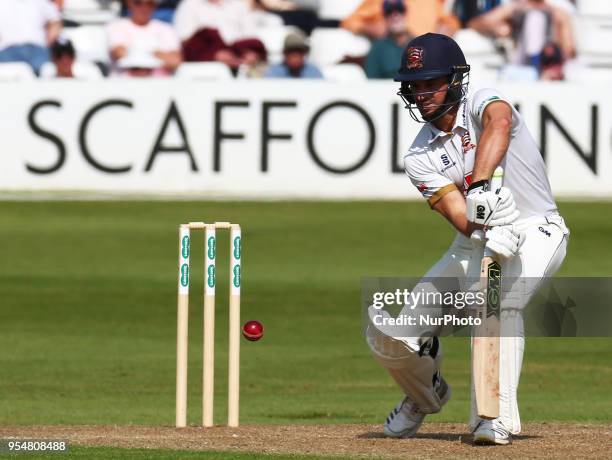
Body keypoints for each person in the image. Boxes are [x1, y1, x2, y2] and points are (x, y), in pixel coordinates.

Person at [366, 33, 569, 445]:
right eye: (415, 85)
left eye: (431, 82)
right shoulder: (418, 156)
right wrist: (483, 223)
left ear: (456, 79)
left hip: (538, 229)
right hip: (475, 242)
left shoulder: (482, 100)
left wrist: (479, 186)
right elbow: (462, 218)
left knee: (501, 302)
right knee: (396, 339)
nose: (422, 94)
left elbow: (500, 122)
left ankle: (494, 417)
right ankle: (424, 395)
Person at [107, 0, 182, 76]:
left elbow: (175, 61)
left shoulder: (167, 29)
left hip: (159, 84)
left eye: (149, 3)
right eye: (138, 3)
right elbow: (119, 53)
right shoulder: (116, 27)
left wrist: (134, 52)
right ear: (128, 3)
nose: (144, 8)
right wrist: (157, 55)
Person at [342, 0, 459, 40]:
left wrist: (445, 32)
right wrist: (369, 28)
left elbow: (451, 21)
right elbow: (350, 22)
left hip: (426, 55)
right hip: (393, 55)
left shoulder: (431, 2)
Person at [0, 0, 62, 74]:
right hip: (7, 49)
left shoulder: (41, 2)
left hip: (37, 48)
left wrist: (48, 41)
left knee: (46, 73)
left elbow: (55, 22)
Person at [364, 0, 413, 79]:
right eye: (389, 13)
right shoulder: (377, 48)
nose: (395, 16)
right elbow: (371, 82)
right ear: (384, 18)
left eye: (400, 10)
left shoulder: (420, 43)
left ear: (405, 14)